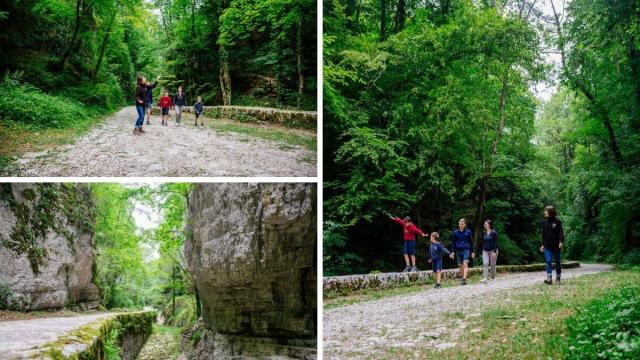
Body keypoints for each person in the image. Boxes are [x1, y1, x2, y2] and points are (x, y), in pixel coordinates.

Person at [540, 205, 564, 285]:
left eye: (546, 211)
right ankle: (549, 278)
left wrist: (560, 242)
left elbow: (560, 233)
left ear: (550, 211)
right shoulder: (544, 223)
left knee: (557, 261)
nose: (544, 212)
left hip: (556, 246)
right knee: (548, 261)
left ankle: (558, 278)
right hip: (547, 246)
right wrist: (542, 245)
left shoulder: (557, 222)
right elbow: (543, 235)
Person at [451, 218, 475, 285]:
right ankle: (463, 278)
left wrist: (472, 252)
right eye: (460, 224)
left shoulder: (468, 232)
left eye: (462, 224)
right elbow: (453, 242)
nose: (461, 225)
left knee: (465, 263)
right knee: (460, 265)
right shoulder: (455, 232)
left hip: (466, 249)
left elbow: (471, 242)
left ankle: (464, 279)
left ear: (464, 224)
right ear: (458, 224)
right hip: (458, 250)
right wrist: (452, 251)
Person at [479, 220, 498, 284]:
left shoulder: (494, 232)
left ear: (489, 225)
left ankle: (493, 277)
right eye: (484, 224)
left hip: (493, 250)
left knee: (492, 265)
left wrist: (494, 252)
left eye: (485, 224)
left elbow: (496, 242)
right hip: (485, 250)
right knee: (485, 264)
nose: (484, 225)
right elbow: (482, 242)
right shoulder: (484, 232)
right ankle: (485, 278)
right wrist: (482, 250)